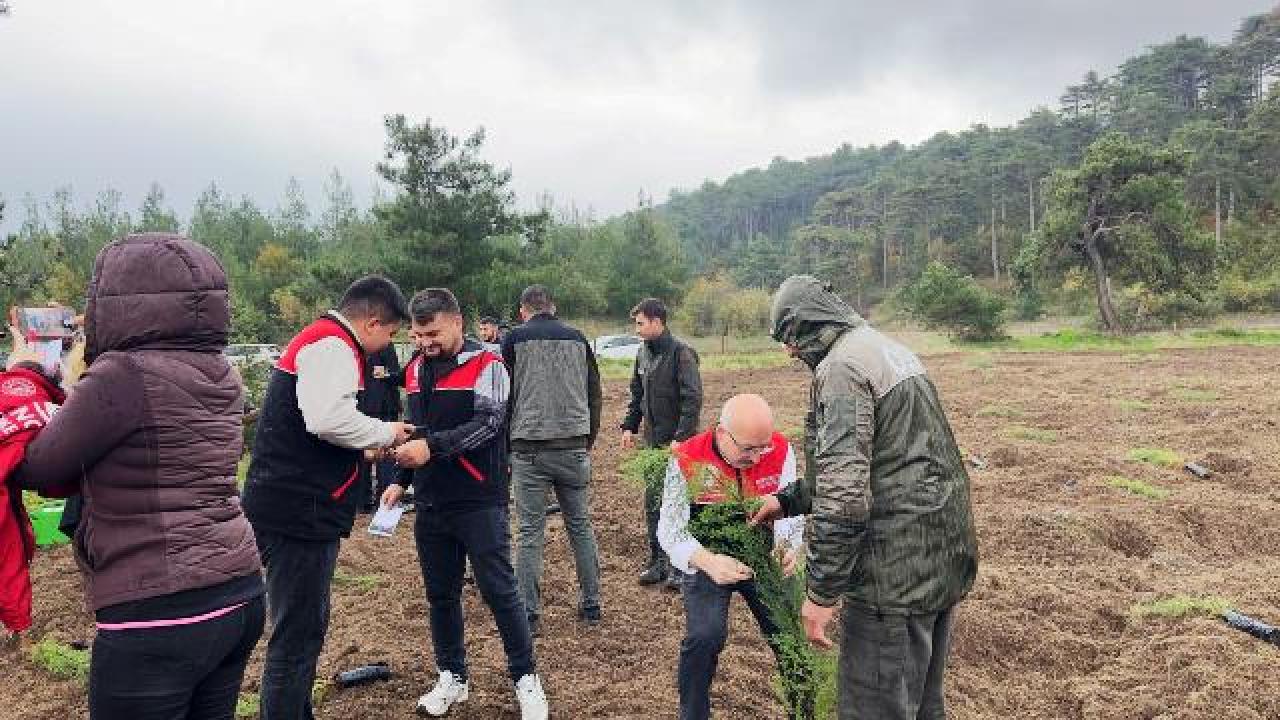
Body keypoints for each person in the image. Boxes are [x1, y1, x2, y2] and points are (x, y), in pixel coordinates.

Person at [15, 233, 266, 719]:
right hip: (238, 590)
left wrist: (27, 374)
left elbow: (40, 464)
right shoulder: (222, 370)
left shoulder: (122, 374)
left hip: (156, 606)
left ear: (115, 301)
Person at [749, 275, 979, 720]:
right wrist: (788, 500)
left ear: (813, 324)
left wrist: (821, 593)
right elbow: (881, 459)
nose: (789, 351)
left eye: (791, 338)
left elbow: (844, 498)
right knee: (922, 704)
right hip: (940, 558)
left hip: (890, 577)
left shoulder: (842, 370)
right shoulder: (883, 349)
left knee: (874, 707)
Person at [241, 275, 414, 720]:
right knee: (296, 634)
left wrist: (363, 446)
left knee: (305, 626)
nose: (385, 345)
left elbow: (315, 424)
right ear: (373, 322)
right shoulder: (333, 344)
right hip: (299, 511)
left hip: (293, 504)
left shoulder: (322, 340)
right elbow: (326, 418)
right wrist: (384, 431)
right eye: (390, 334)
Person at [380, 288, 548, 720]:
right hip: (432, 503)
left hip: (478, 500)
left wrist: (431, 449)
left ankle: (526, 680)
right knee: (440, 595)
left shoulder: (488, 364)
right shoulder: (416, 370)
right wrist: (401, 479)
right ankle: (452, 677)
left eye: (432, 332)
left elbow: (489, 425)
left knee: (500, 591)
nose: (424, 342)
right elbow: (415, 430)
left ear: (457, 322)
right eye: (417, 335)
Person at [659, 394, 804, 720]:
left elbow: (791, 512)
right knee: (704, 636)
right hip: (708, 553)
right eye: (748, 449)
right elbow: (669, 530)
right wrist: (708, 561)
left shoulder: (779, 450)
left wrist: (788, 546)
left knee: (793, 636)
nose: (756, 457)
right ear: (723, 433)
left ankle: (805, 711)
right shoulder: (686, 457)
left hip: (763, 553)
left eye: (762, 448)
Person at [501, 285, 603, 636]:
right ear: (553, 307)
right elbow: (594, 391)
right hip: (573, 443)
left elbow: (503, 395)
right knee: (581, 526)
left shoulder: (512, 341)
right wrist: (586, 438)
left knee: (529, 532)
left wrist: (505, 447)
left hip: (528, 446)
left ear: (523, 310)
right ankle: (592, 604)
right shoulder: (578, 339)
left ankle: (528, 613)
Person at [619, 297, 703, 588]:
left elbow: (692, 400)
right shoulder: (643, 354)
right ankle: (658, 562)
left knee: (679, 505)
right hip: (652, 445)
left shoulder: (682, 354)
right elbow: (637, 395)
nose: (638, 329)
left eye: (641, 323)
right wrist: (629, 426)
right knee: (653, 502)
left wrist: (681, 439)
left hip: (680, 447)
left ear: (657, 322)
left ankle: (683, 566)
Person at [356, 342, 403, 514]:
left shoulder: (357, 342)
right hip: (381, 405)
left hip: (365, 403)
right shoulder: (384, 343)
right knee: (385, 453)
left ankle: (364, 501)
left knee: (365, 451)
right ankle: (383, 501)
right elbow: (394, 373)